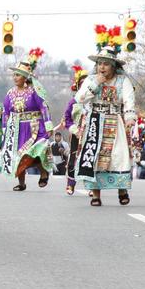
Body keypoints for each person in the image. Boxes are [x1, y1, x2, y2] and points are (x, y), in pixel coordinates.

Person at [75, 43, 137, 206]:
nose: (102, 67)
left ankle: (122, 189)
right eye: (100, 63)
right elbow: (80, 98)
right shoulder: (90, 80)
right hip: (94, 121)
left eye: (106, 64)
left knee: (118, 156)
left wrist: (130, 116)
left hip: (114, 121)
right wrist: (96, 83)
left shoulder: (123, 81)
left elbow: (129, 99)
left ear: (114, 66)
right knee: (94, 156)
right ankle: (96, 195)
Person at [0, 49, 53, 191]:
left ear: (25, 77)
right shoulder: (10, 93)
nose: (15, 78)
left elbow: (44, 107)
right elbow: (6, 113)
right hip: (17, 128)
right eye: (14, 75)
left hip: (35, 127)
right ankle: (21, 183)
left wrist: (48, 125)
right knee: (19, 155)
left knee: (35, 152)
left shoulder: (34, 91)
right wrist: (5, 130)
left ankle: (43, 172)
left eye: (18, 75)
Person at [62, 65, 88, 195]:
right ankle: (70, 184)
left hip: (91, 133)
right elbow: (67, 118)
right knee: (73, 159)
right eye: (82, 84)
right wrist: (74, 129)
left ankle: (91, 186)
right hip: (76, 135)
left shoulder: (94, 101)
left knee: (90, 159)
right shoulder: (73, 102)